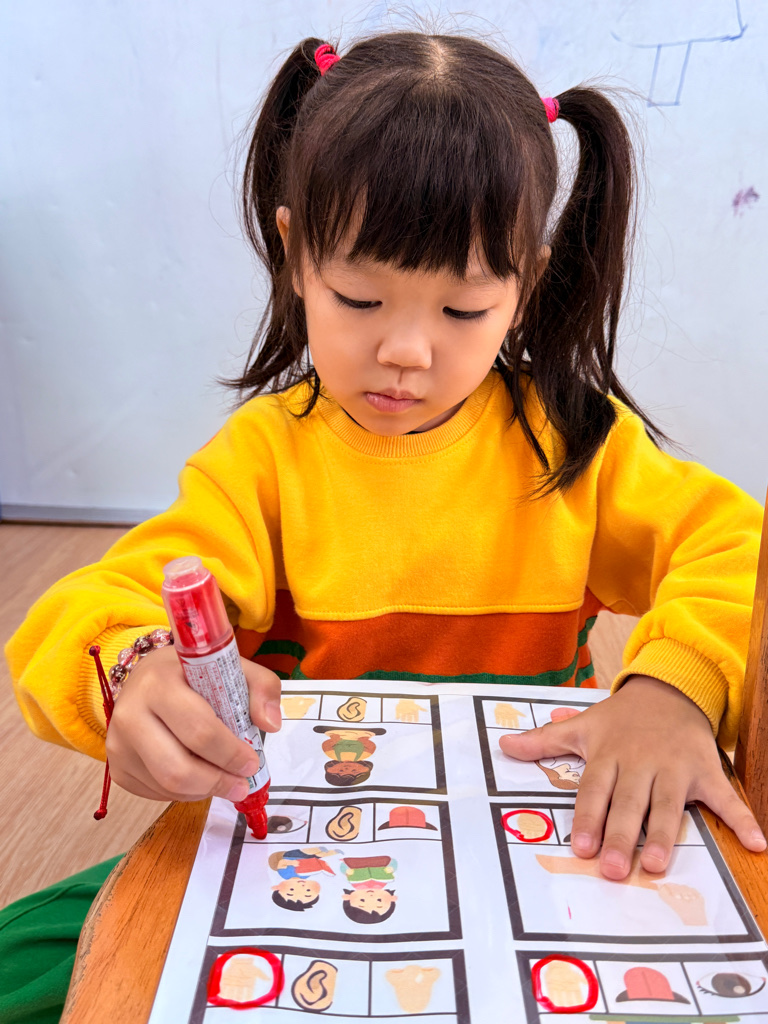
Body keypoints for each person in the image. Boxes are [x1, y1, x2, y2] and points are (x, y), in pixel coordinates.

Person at [2, 28, 764, 1020]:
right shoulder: (264, 459)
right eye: (360, 297)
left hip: (544, 835)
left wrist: (672, 686)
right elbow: (90, 609)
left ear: (526, 284)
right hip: (299, 840)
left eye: (463, 311)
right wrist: (137, 670)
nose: (405, 350)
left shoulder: (578, 443)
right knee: (31, 966)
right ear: (294, 254)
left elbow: (737, 544)